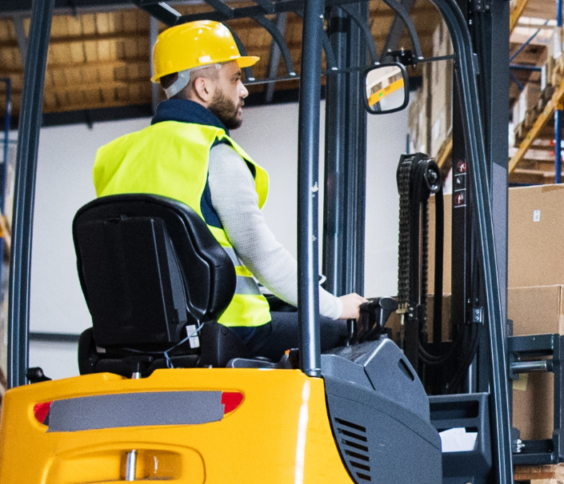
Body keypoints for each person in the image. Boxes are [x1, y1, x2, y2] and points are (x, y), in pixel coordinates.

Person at [93, 19, 364, 360]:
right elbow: (259, 253)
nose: (244, 90)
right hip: (225, 328)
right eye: (235, 79)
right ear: (204, 88)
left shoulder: (112, 156)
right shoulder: (213, 151)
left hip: (141, 335)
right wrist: (337, 306)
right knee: (347, 333)